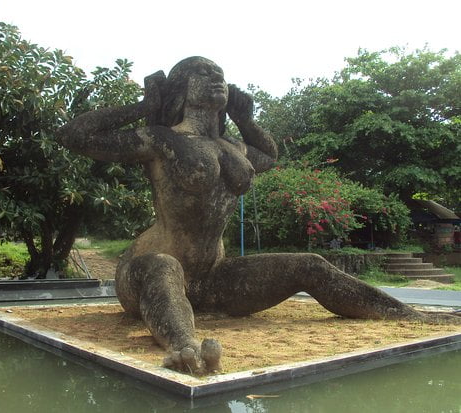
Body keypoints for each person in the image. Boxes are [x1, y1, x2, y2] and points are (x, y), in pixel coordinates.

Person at [57, 57, 460, 375]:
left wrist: (245, 119)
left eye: (219, 73)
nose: (215, 78)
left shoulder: (233, 147)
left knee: (310, 264)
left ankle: (406, 313)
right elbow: (75, 135)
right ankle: (184, 347)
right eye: (202, 73)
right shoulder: (160, 138)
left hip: (211, 279)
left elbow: (269, 156)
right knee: (164, 266)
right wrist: (144, 107)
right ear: (182, 87)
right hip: (145, 274)